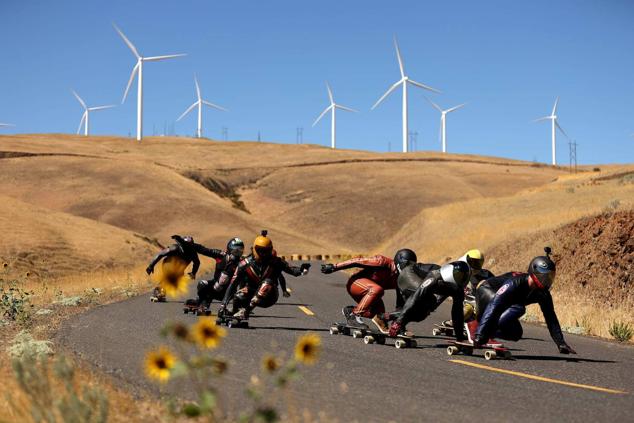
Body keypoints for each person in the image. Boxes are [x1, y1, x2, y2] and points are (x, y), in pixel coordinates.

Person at [473, 248, 576, 354]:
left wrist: (561, 343)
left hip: (504, 304)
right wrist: (480, 335)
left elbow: (551, 318)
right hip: (487, 290)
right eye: (544, 277)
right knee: (518, 308)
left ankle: (478, 327)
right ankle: (480, 331)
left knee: (516, 333)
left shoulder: (543, 294)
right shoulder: (516, 283)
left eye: (550, 278)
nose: (547, 281)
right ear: (534, 271)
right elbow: (494, 305)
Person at [320, 249, 415, 334]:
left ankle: (350, 311)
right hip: (355, 284)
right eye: (407, 265)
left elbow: (400, 305)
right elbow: (357, 261)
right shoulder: (382, 262)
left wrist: (399, 325)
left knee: (380, 316)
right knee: (377, 289)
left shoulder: (402, 279)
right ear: (399, 262)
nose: (409, 269)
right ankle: (355, 315)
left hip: (372, 294)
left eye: (412, 266)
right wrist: (334, 267)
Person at [220, 230, 310, 319]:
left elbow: (292, 270)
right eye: (261, 250)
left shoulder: (276, 261)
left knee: (267, 282)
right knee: (238, 296)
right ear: (254, 249)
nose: (264, 254)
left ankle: (246, 311)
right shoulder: (244, 264)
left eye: (267, 251)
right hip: (251, 294)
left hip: (269, 297)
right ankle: (234, 311)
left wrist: (302, 269)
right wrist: (223, 304)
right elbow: (233, 284)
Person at [388, 260, 471, 341]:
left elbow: (457, 313)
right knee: (427, 300)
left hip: (422, 283)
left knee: (421, 314)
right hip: (407, 275)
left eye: (463, 277)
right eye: (458, 275)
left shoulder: (458, 290)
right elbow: (416, 297)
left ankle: (387, 316)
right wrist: (398, 322)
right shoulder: (435, 276)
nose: (460, 279)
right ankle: (395, 321)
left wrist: (459, 335)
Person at [186, 237, 245, 313]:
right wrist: (191, 245)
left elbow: (245, 281)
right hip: (214, 287)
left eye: (240, 251)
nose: (237, 253)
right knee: (202, 284)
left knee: (228, 279)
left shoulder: (242, 263)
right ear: (229, 249)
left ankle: (238, 306)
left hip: (228, 292)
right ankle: (202, 302)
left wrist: (243, 303)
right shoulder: (220, 255)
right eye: (236, 250)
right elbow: (204, 250)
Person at [146, 235, 201, 301]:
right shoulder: (174, 248)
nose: (187, 247)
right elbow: (160, 254)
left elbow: (197, 263)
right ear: (181, 244)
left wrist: (193, 273)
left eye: (189, 245)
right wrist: (151, 265)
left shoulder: (193, 253)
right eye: (185, 245)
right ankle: (159, 291)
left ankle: (160, 291)